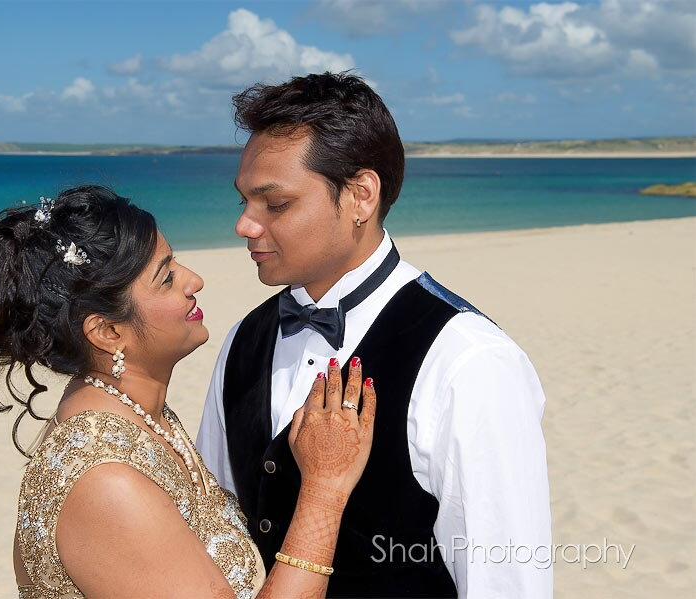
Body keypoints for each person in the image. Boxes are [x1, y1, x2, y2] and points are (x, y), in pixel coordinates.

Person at [196, 72, 553, 598]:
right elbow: (219, 540)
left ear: (361, 196)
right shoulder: (242, 341)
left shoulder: (468, 360)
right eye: (244, 201)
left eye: (275, 204)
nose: (245, 225)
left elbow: (506, 580)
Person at [0, 184, 378, 599]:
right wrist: (324, 489)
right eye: (165, 278)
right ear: (107, 331)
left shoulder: (140, 417)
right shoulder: (107, 482)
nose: (194, 280)